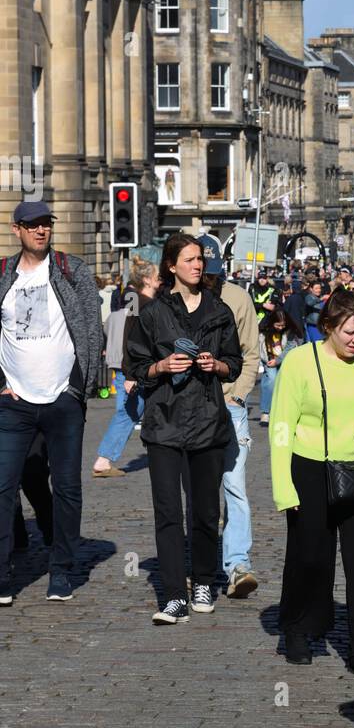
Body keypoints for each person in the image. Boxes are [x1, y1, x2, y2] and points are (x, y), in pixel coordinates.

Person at [270, 286, 354, 679]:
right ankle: (299, 630)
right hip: (310, 469)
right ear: (328, 325)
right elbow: (281, 427)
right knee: (310, 557)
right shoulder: (299, 362)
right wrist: (283, 485)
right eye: (350, 333)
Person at [125, 235, 242, 624]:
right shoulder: (152, 312)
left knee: (206, 512)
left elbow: (235, 363)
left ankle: (205, 580)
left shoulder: (219, 310)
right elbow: (135, 368)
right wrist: (162, 367)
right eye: (190, 259)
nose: (198, 265)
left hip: (208, 420)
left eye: (201, 259)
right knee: (168, 512)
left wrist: (217, 367)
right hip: (164, 423)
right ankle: (174, 595)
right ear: (172, 266)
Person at [0, 200, 101, 605]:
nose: (41, 231)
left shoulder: (71, 269)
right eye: (33, 225)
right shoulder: (3, 274)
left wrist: (79, 387)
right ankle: (3, 574)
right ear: (17, 230)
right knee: (3, 487)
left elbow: (92, 329)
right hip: (13, 403)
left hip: (62, 398)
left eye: (46, 224)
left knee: (67, 487)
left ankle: (61, 570)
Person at [200, 242, 263, 601]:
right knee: (200, 491)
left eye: (213, 272)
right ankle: (204, 567)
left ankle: (238, 564)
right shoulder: (182, 299)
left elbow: (251, 353)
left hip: (230, 404)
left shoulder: (238, 298)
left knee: (235, 488)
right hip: (192, 409)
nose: (207, 278)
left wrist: (238, 395)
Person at [92, 259, 161, 477]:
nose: (160, 280)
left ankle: (159, 449)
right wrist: (130, 371)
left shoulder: (140, 300)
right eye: (157, 276)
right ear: (148, 279)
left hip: (133, 366)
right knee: (129, 412)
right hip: (133, 367)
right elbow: (131, 337)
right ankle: (103, 460)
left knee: (137, 409)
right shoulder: (139, 301)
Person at [258, 306, 304, 425]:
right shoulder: (263, 330)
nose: (280, 328)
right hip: (268, 359)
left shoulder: (290, 331)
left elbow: (290, 348)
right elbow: (261, 347)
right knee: (271, 380)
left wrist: (278, 360)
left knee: (285, 384)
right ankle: (266, 412)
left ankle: (285, 412)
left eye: (282, 325)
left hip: (286, 359)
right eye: (277, 325)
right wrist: (269, 361)